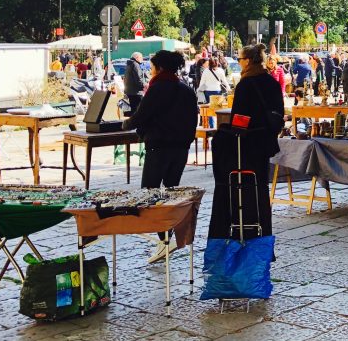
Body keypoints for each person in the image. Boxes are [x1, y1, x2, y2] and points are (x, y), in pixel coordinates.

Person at [121, 50, 198, 263]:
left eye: (153, 66)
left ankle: (164, 239)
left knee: (150, 193)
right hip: (181, 148)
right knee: (172, 191)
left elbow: (141, 115)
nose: (151, 70)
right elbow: (193, 119)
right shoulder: (186, 89)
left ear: (160, 68)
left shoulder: (157, 88)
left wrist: (126, 123)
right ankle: (168, 236)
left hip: (159, 147)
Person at [209, 44, 284, 240]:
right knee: (261, 187)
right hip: (265, 143)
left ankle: (247, 230)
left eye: (241, 60)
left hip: (247, 145)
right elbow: (279, 115)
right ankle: (264, 230)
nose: (240, 63)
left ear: (248, 61)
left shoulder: (246, 84)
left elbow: (239, 119)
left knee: (245, 187)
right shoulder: (272, 82)